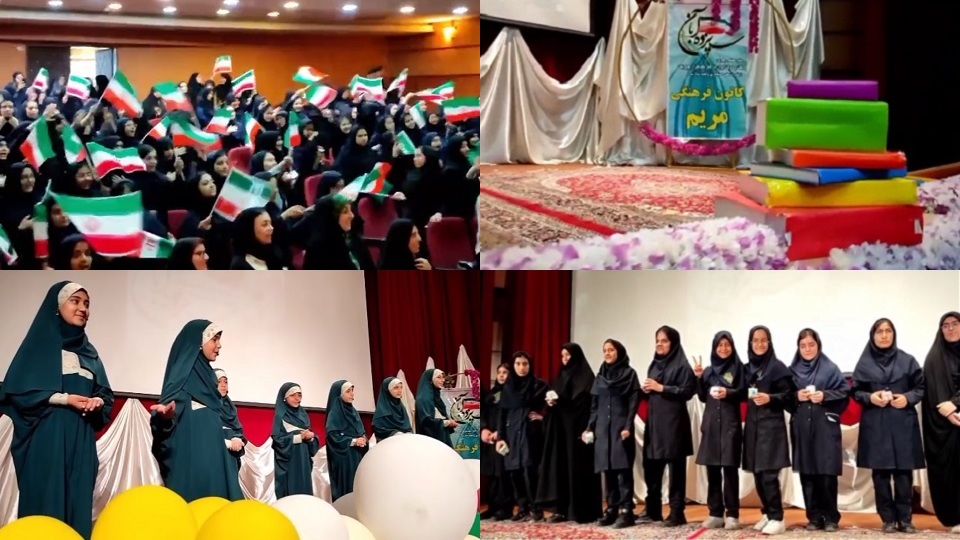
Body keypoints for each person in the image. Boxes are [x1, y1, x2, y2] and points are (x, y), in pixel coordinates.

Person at [0, 282, 113, 540]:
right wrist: (64, 399)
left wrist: (96, 402)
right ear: (57, 306)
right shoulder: (38, 348)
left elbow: (105, 396)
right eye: (75, 301)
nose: (83, 308)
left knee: (77, 509)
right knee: (46, 508)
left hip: (81, 442)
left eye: (87, 304)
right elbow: (18, 393)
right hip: (47, 439)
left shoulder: (90, 355)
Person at [149, 320, 243, 502]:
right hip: (193, 468)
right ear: (199, 342)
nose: (219, 345)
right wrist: (164, 418)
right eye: (214, 339)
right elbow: (165, 418)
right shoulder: (184, 378)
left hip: (216, 463)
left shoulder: (208, 377)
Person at [853, 318, 925, 533]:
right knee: (880, 475)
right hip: (876, 424)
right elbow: (855, 391)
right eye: (879, 331)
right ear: (873, 335)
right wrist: (870, 397)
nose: (884, 335)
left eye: (888, 331)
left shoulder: (908, 361)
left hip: (902, 423)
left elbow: (921, 387)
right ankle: (887, 519)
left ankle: (905, 519)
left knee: (903, 473)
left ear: (893, 334)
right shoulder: (864, 363)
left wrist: (907, 398)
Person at [787, 329, 849, 533]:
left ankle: (831, 517)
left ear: (818, 345)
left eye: (811, 345)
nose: (807, 349)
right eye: (803, 346)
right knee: (807, 473)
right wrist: (796, 396)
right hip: (802, 428)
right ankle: (813, 517)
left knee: (826, 472)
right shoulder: (791, 371)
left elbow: (844, 392)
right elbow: (784, 398)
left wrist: (824, 395)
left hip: (825, 427)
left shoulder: (830, 368)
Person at [535, 343, 602, 524]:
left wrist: (562, 402)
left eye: (568, 355)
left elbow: (584, 403)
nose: (564, 359)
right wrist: (551, 403)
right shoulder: (560, 376)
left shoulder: (587, 377)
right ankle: (561, 510)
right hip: (561, 432)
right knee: (561, 467)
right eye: (562, 355)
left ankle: (581, 511)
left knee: (578, 468)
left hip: (578, 431)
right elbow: (556, 400)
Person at [638, 326, 696, 527]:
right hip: (655, 424)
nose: (659, 344)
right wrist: (646, 390)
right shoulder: (654, 364)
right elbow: (654, 391)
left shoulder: (682, 366)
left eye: (664, 341)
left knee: (676, 470)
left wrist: (661, 387)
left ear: (673, 343)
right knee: (651, 467)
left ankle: (677, 512)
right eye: (657, 340)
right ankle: (653, 510)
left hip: (674, 425)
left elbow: (687, 391)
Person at [742, 326, 794, 536]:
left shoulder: (777, 368)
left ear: (769, 342)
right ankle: (767, 512)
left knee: (769, 474)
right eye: (755, 340)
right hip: (753, 427)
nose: (760, 344)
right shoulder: (747, 369)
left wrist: (770, 398)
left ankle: (777, 517)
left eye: (764, 340)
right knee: (757, 472)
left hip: (771, 428)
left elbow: (790, 396)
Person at [693, 331, 745, 531]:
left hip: (730, 426)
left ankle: (732, 514)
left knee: (730, 471)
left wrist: (728, 392)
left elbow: (744, 393)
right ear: (714, 348)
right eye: (720, 345)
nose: (723, 349)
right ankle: (715, 513)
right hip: (711, 427)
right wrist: (699, 378)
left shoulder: (739, 368)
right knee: (712, 471)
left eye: (727, 345)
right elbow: (702, 397)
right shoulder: (708, 371)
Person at [587, 339, 641, 529]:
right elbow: (594, 406)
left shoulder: (629, 374)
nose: (607, 353)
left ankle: (627, 511)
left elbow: (633, 404)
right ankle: (611, 509)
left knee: (623, 470)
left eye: (611, 350)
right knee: (607, 469)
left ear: (619, 352)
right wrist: (589, 427)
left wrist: (628, 426)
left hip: (621, 428)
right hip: (603, 429)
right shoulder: (600, 376)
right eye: (605, 350)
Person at [495, 352, 548, 522]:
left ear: (530, 365)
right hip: (511, 433)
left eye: (525, 364)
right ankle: (522, 507)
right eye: (518, 364)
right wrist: (500, 437)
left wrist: (542, 417)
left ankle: (536, 509)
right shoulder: (508, 387)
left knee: (530, 471)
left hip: (530, 433)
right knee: (514, 472)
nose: (521, 367)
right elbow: (502, 414)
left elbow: (551, 407)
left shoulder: (539, 385)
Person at [922, 311, 960, 532]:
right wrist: (947, 411)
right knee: (949, 471)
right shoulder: (934, 358)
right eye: (945, 325)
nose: (950, 328)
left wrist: (955, 403)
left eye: (955, 324)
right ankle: (956, 517)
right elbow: (931, 392)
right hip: (944, 425)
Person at [272, 382, 320, 498]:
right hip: (289, 462)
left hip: (304, 460)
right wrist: (299, 437)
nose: (297, 398)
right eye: (293, 395)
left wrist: (311, 437)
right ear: (285, 397)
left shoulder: (303, 415)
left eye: (299, 395)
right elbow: (278, 440)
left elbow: (312, 445)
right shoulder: (280, 416)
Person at [480, 363, 514, 521]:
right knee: (492, 474)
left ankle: (505, 508)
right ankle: (492, 507)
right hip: (489, 438)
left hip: (504, 438)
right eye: (499, 372)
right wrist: (484, 429)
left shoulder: (512, 393)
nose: (501, 375)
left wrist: (500, 433)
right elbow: (483, 412)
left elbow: (510, 416)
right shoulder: (491, 394)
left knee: (502, 474)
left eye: (505, 372)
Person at [325, 380, 368, 501]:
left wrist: (363, 439)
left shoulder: (353, 412)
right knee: (347, 488)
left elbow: (361, 431)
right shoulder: (334, 413)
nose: (352, 394)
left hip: (357, 455)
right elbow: (333, 436)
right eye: (348, 391)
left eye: (352, 391)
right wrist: (353, 441)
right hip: (344, 458)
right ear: (340, 394)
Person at [415, 367, 458, 446]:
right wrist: (446, 422)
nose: (442, 380)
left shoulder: (435, 397)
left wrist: (449, 421)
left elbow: (439, 415)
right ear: (430, 380)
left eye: (443, 377)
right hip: (431, 440)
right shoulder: (424, 398)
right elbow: (425, 421)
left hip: (441, 434)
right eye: (439, 377)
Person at [214, 369, 246, 470]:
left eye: (226, 382)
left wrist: (237, 438)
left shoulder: (230, 407)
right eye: (219, 381)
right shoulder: (207, 406)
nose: (223, 385)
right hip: (215, 453)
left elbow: (238, 429)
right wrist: (227, 443)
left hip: (231, 454)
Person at [371, 377, 412, 441]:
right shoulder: (382, 409)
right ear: (387, 390)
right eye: (396, 387)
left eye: (401, 387)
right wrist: (394, 433)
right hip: (388, 443)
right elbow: (378, 429)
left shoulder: (401, 407)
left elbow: (407, 427)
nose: (400, 390)